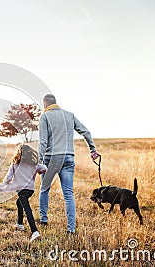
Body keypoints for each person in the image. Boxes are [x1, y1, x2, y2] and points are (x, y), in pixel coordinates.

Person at [38, 94, 100, 234]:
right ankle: (71, 229)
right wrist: (92, 149)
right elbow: (86, 131)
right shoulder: (69, 115)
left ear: (45, 104)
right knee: (68, 194)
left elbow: (42, 142)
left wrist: (39, 162)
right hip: (68, 158)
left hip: (51, 158)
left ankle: (43, 220)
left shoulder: (45, 116)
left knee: (44, 189)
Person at [0, 144, 47, 242]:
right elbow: (45, 168)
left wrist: (4, 184)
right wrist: (40, 171)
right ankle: (20, 224)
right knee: (18, 203)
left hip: (21, 190)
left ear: (18, 153)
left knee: (27, 209)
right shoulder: (33, 164)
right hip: (30, 190)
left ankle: (35, 232)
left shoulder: (15, 164)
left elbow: (8, 178)